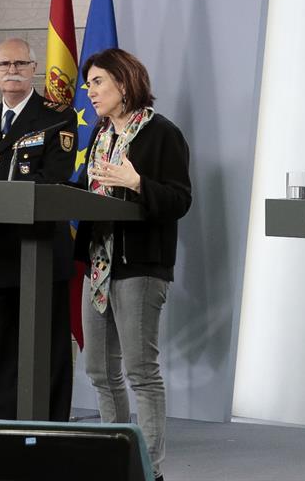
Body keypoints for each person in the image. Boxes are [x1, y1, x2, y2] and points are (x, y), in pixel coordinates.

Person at [74, 48, 192, 481]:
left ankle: (149, 470)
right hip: (99, 266)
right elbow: (85, 192)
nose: (90, 92)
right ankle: (116, 462)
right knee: (100, 371)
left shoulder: (162, 134)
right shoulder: (99, 135)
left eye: (98, 82)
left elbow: (180, 200)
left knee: (140, 371)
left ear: (124, 83)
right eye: (88, 84)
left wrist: (137, 182)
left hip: (141, 265)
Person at [0, 37, 77, 420]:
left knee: (48, 347)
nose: (12, 70)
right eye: (4, 64)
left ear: (33, 69)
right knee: (1, 346)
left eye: (20, 64)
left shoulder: (57, 117)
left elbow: (55, 179)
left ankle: (51, 429)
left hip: (39, 249)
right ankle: (5, 429)